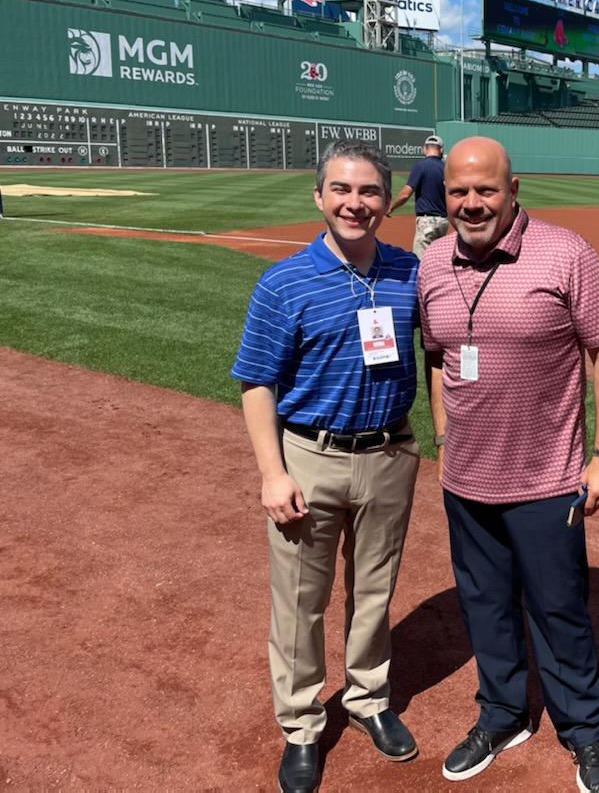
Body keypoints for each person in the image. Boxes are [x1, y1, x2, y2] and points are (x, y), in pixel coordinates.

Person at [417, 136, 599, 793]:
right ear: (443, 195)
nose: (472, 203)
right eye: (459, 191)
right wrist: (444, 433)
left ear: (514, 190)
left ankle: (584, 730)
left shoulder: (565, 253)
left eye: (485, 189)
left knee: (558, 608)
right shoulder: (431, 264)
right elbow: (438, 355)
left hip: (546, 479)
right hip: (466, 480)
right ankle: (503, 714)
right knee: (484, 606)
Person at [232, 139, 423, 793]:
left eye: (369, 191)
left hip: (391, 453)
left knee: (374, 592)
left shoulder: (408, 273)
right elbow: (256, 381)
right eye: (341, 189)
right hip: (309, 456)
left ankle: (367, 698)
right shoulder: (283, 282)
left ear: (386, 200)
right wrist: (272, 472)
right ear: (319, 197)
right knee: (300, 603)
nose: (355, 202)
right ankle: (301, 724)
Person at [388, 134, 449, 257]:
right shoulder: (446, 168)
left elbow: (405, 194)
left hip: (427, 222)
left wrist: (391, 207)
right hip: (443, 222)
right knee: (436, 258)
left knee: (420, 261)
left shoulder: (420, 166)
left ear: (424, 149)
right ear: (441, 149)